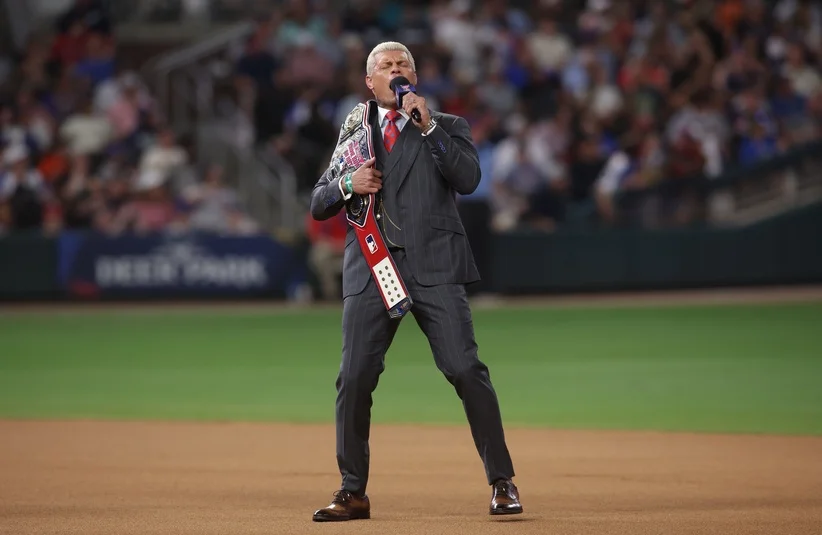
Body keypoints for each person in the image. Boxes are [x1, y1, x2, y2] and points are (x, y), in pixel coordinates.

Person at [308, 41, 522, 522]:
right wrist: (348, 185)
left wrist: (427, 127)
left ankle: (502, 481)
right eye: (385, 66)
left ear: (415, 77)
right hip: (372, 268)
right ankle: (352, 491)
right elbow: (319, 200)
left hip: (435, 265)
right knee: (355, 378)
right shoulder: (354, 135)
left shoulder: (445, 126)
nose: (395, 70)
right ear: (370, 82)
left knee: (465, 369)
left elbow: (467, 179)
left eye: (403, 63)